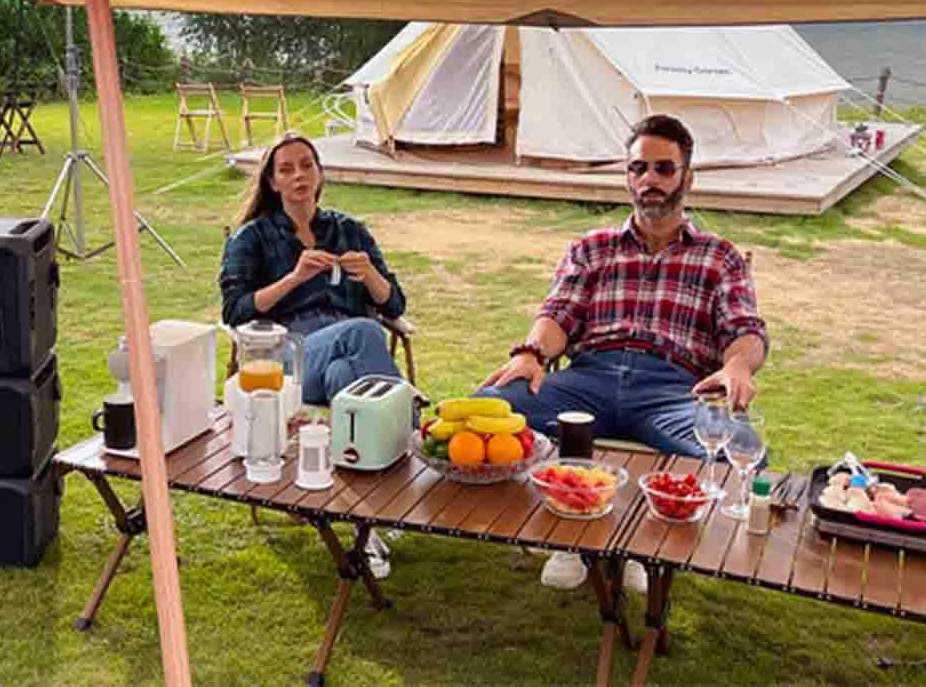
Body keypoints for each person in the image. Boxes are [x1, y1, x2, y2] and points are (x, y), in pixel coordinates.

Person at [478, 114, 768, 590]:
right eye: (637, 169)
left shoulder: (720, 257)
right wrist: (531, 352)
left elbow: (745, 329)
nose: (648, 180)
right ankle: (563, 528)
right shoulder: (592, 248)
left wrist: (736, 364)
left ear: (688, 178)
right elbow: (559, 313)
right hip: (589, 380)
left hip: (673, 389)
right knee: (491, 409)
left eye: (663, 169)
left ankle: (641, 541)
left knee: (743, 455)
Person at [220, 132, 407, 406]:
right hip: (287, 357)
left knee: (341, 374)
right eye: (286, 169)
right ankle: (409, 424)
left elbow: (395, 305)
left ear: (319, 173)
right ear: (273, 182)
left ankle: (357, 445)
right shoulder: (252, 237)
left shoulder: (349, 229)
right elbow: (234, 311)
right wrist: (293, 279)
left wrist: (369, 273)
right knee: (363, 332)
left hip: (346, 351)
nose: (299, 175)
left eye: (307, 166)